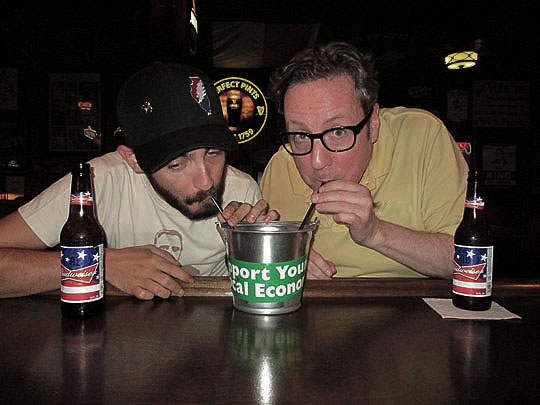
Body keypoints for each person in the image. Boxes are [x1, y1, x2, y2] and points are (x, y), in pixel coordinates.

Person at [0, 62, 277, 299]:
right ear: (133, 159)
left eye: (213, 153)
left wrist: (262, 247)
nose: (206, 181)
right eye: (177, 164)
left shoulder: (242, 190)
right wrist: (100, 264)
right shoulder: (99, 181)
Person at [260, 42, 468, 280]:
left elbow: (467, 263)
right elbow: (266, 263)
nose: (317, 161)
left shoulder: (422, 136)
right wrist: (285, 260)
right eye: (300, 135)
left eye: (338, 132)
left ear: (373, 123)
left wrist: (375, 233)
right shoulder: (280, 166)